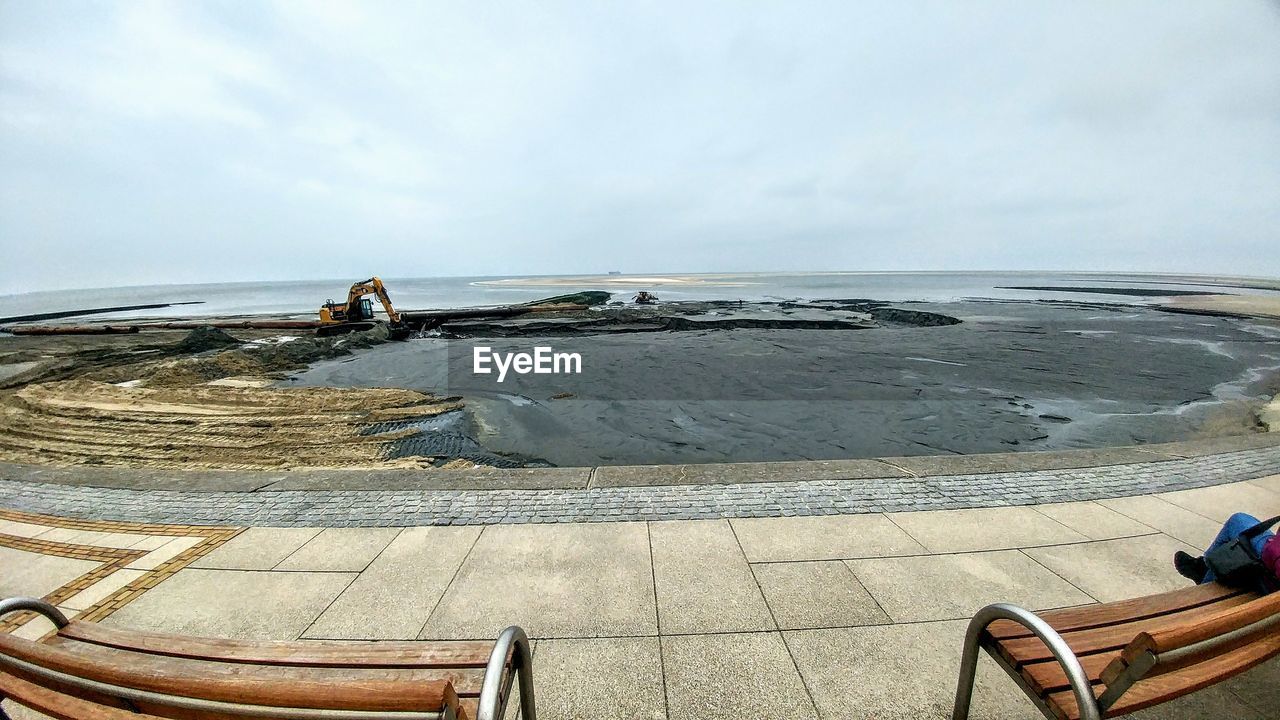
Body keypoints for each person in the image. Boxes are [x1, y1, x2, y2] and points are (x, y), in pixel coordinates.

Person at [1174, 512, 1279, 592]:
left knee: (1237, 522)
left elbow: (1271, 554)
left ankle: (1205, 574)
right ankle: (1206, 567)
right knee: (1241, 522)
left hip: (1271, 575)